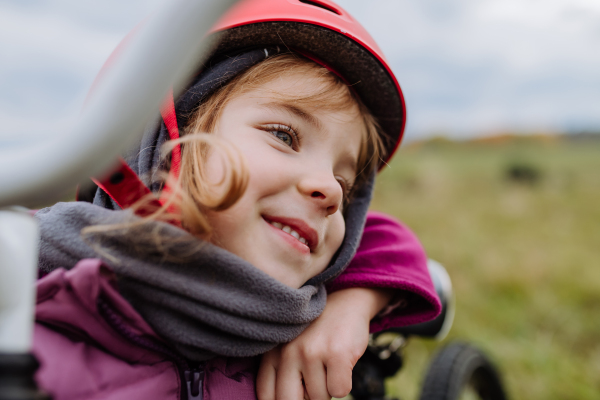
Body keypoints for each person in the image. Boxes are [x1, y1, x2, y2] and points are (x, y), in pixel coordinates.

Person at [32, 1, 441, 399]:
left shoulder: (291, 323)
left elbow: (384, 237)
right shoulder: (26, 316)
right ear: (155, 143)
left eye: (345, 182)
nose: (333, 192)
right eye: (284, 135)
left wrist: (352, 303)